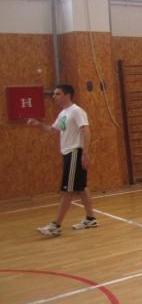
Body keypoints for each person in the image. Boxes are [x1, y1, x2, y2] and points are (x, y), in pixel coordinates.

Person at [28, 84, 99, 237]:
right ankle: (91, 219)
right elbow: (53, 130)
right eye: (54, 94)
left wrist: (85, 152)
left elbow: (86, 130)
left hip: (75, 152)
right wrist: (39, 124)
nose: (54, 96)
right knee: (81, 188)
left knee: (67, 191)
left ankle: (56, 225)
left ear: (67, 95)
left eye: (57, 94)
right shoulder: (63, 114)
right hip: (68, 154)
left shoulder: (76, 111)